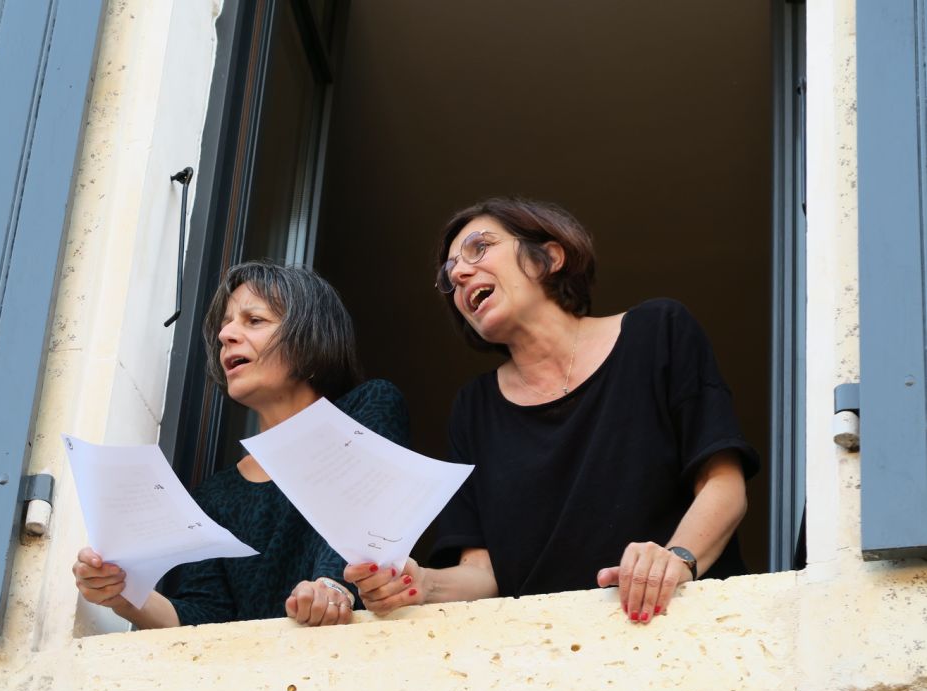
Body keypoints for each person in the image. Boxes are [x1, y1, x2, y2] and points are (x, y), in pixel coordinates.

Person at [346, 197, 758, 625]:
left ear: (549, 258)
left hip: (681, 628)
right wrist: (417, 583)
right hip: (545, 648)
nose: (459, 274)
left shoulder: (658, 332)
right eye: (449, 275)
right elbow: (484, 574)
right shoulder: (473, 408)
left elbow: (723, 484)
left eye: (479, 247)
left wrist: (675, 558)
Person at [73, 260, 408, 628]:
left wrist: (332, 586)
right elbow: (206, 618)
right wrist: (124, 592)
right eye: (226, 324)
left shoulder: (367, 409)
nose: (226, 334)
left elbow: (365, 518)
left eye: (254, 320)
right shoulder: (215, 496)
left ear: (309, 338)